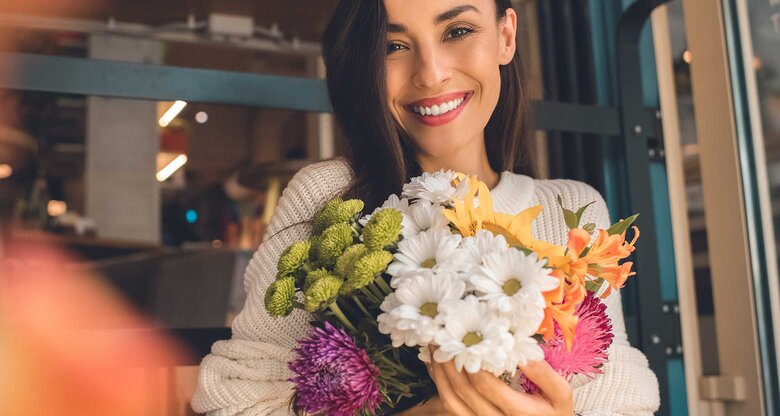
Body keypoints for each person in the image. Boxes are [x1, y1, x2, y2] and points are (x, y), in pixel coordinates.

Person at [191, 1, 661, 415]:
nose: (430, 72)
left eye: (457, 31)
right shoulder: (329, 196)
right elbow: (237, 398)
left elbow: (619, 394)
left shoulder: (570, 209)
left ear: (505, 35)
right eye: (393, 46)